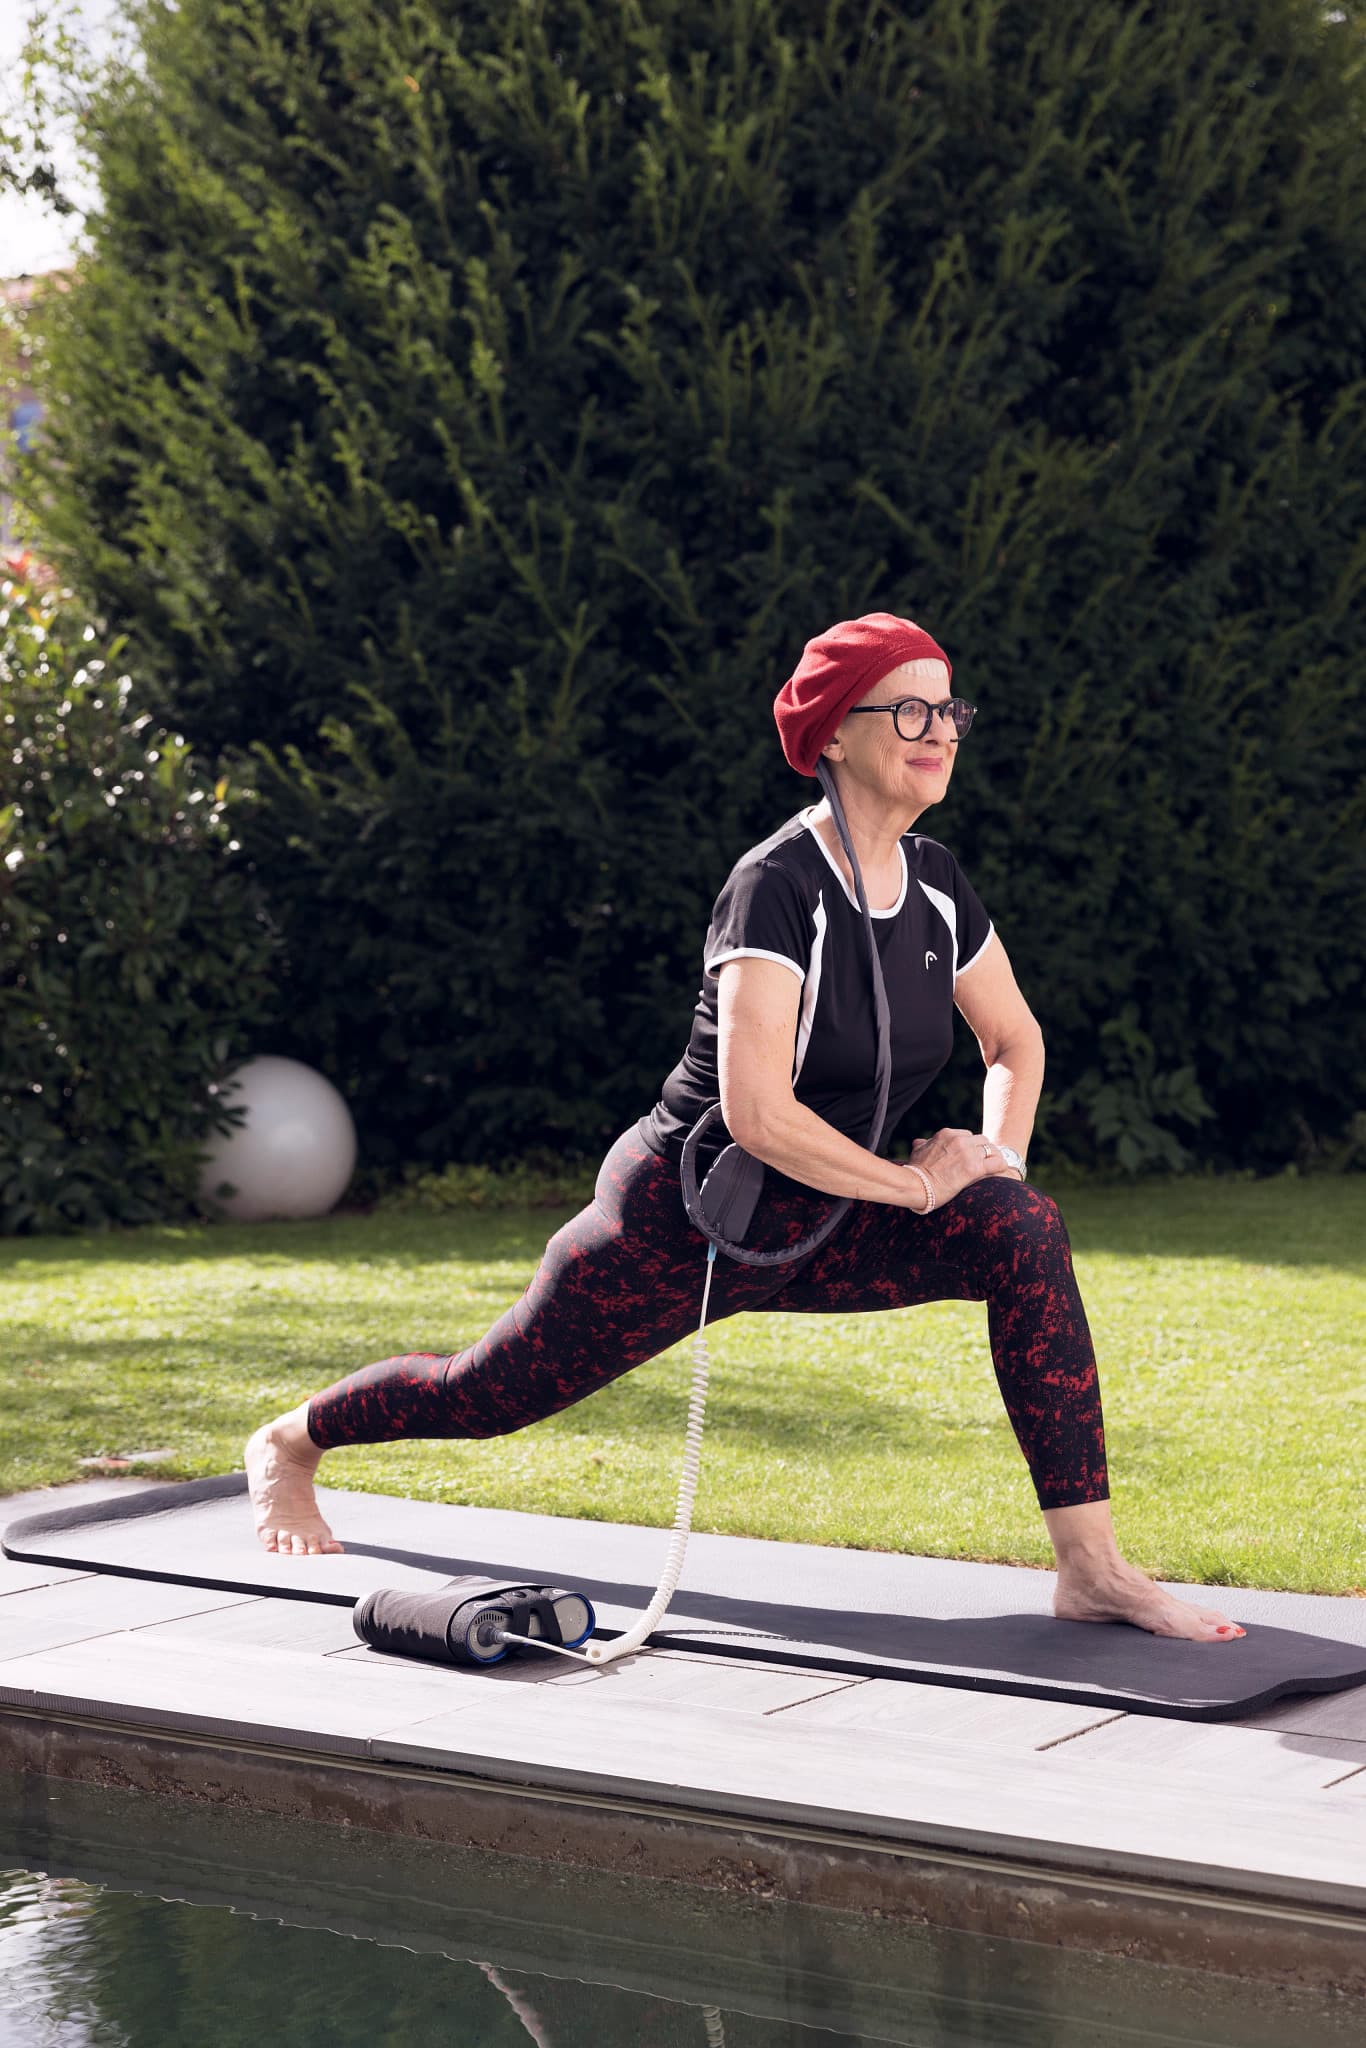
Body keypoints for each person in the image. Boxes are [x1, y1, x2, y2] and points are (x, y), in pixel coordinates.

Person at [246, 612, 1245, 1645]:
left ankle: (1091, 1569)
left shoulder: (937, 883)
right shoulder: (777, 884)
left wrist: (992, 1165)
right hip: (686, 1223)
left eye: (947, 707)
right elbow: (756, 1112)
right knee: (490, 1389)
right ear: (834, 733)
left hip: (834, 1217)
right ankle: (292, 1439)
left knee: (1021, 1228)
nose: (938, 727)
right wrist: (918, 1184)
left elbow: (1015, 1040)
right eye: (907, 706)